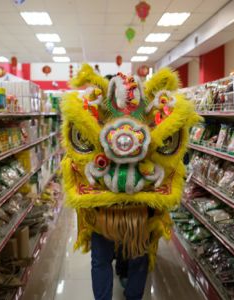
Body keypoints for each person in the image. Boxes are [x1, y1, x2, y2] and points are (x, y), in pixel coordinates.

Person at [60, 64, 201, 300]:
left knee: (108, 259)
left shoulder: (100, 118)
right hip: (132, 209)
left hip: (109, 207)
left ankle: (115, 291)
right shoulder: (146, 117)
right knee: (135, 256)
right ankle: (131, 291)